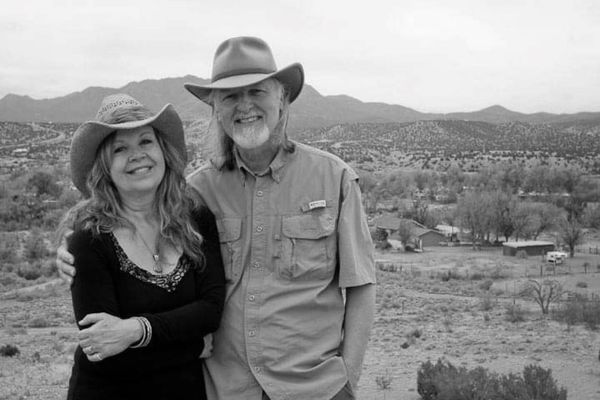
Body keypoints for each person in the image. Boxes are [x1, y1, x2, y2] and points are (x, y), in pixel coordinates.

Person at [59, 36, 376, 400]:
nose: (245, 105)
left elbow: (361, 285)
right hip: (226, 390)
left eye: (257, 91)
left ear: (282, 98)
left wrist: (348, 379)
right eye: (230, 96)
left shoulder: (334, 179)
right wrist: (71, 245)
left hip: (314, 389)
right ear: (216, 110)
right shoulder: (197, 193)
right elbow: (122, 218)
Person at [60, 94, 225, 399]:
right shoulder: (89, 240)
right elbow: (103, 351)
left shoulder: (196, 221)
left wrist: (135, 330)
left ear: (163, 152)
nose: (137, 155)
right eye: (120, 149)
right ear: (104, 167)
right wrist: (193, 346)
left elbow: (210, 311)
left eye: (146, 141)